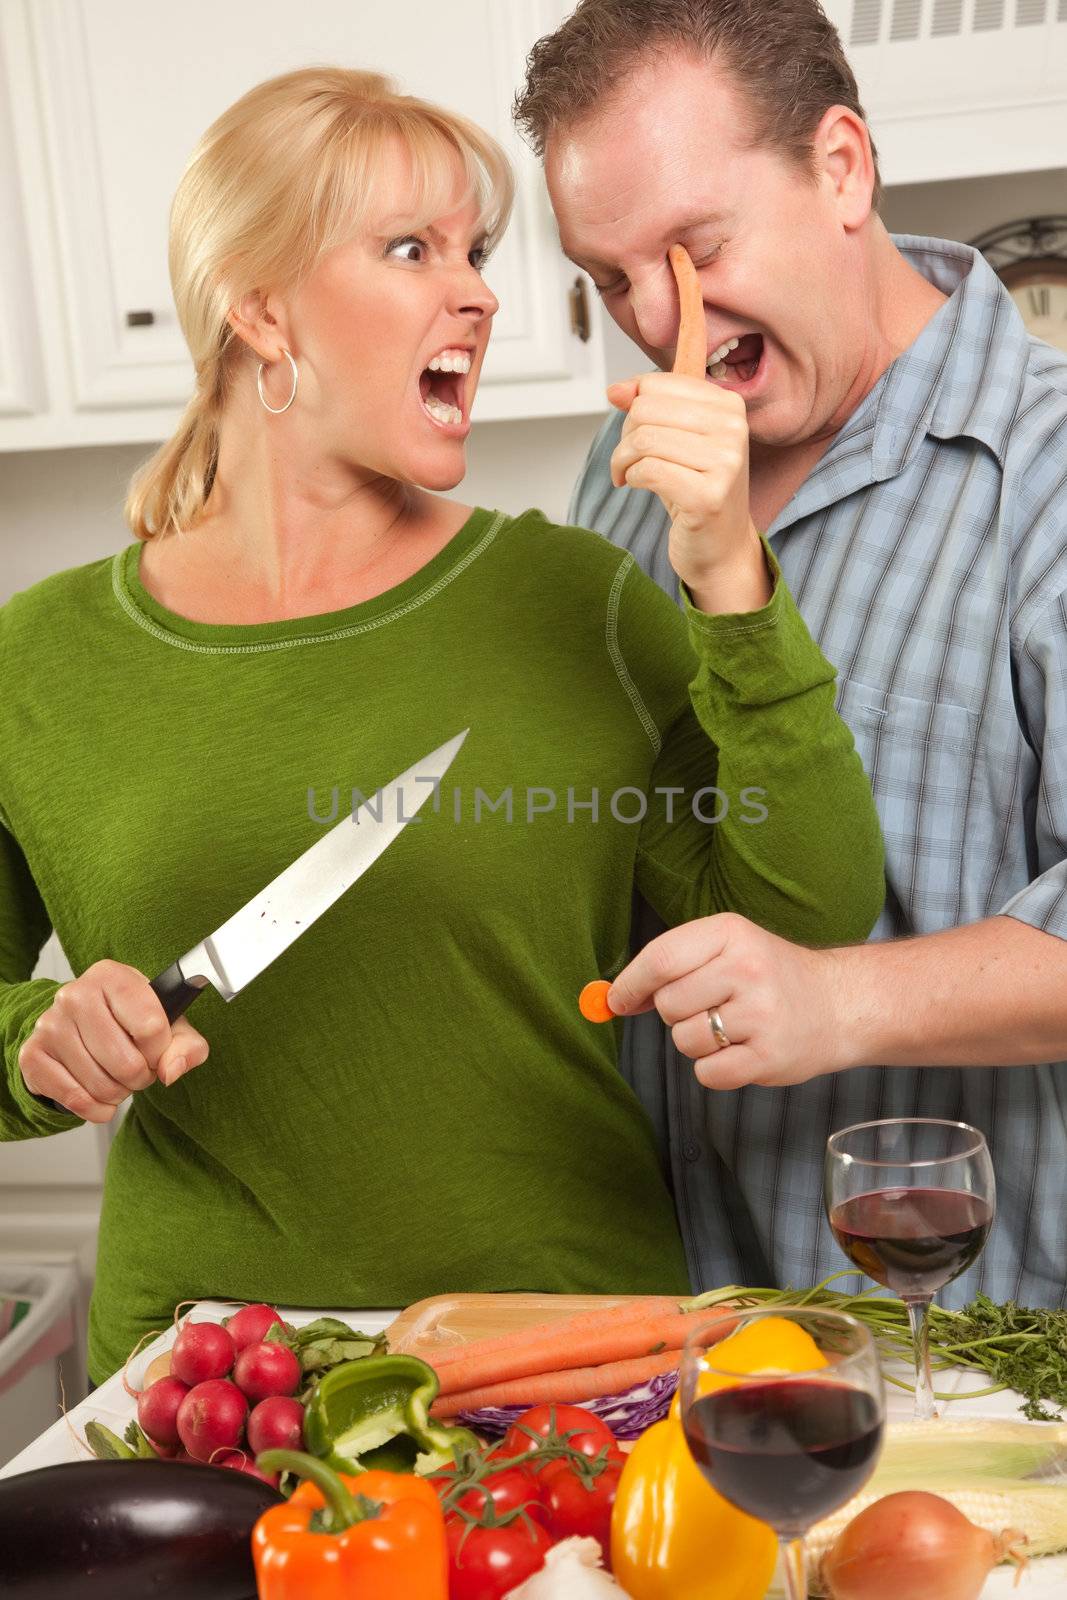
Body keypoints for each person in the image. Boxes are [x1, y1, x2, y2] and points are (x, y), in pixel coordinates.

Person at [0, 67, 882, 1382]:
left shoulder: (572, 598)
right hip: (211, 1370)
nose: (476, 290)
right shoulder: (39, 660)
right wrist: (41, 1042)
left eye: (476, 250)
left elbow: (809, 911)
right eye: (410, 249)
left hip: (568, 1356)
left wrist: (731, 577)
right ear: (261, 312)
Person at [514, 0, 1067, 1308]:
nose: (660, 323)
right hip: (672, 1333)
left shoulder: (1046, 473)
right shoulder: (625, 463)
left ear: (841, 169)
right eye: (608, 278)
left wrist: (838, 1000)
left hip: (969, 1352)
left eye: (693, 249)